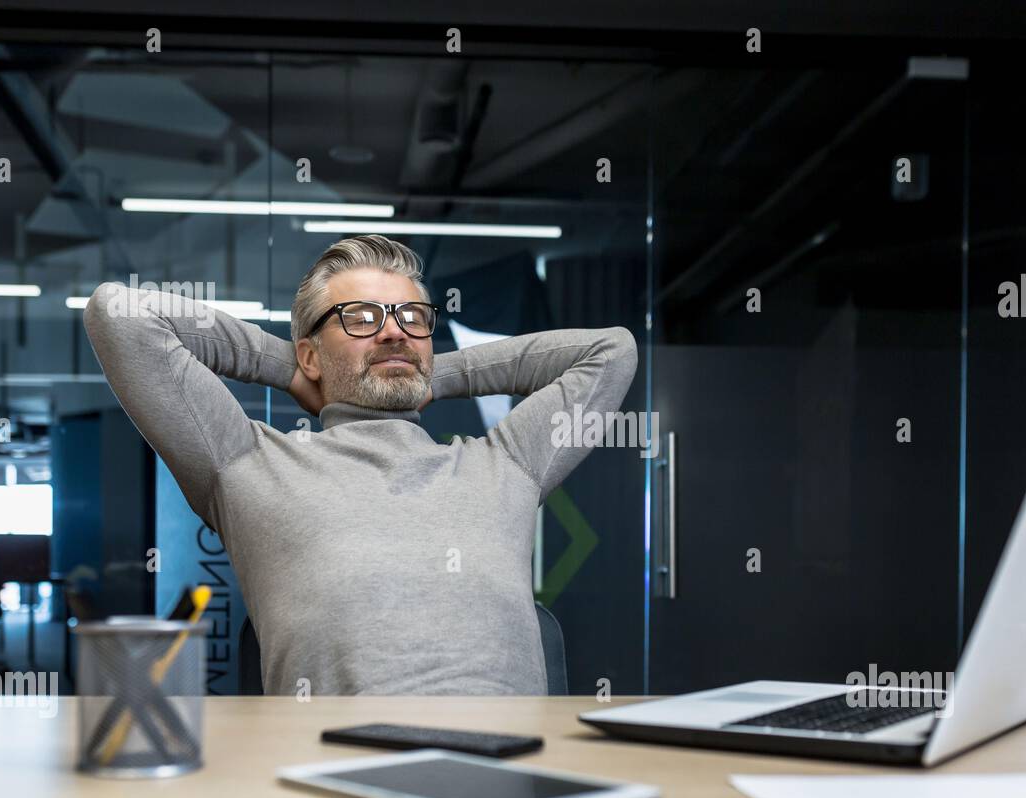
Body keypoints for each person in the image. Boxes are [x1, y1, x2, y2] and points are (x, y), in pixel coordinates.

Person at [83, 235, 637, 695]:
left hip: (509, 787)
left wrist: (422, 371)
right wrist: (296, 370)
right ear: (309, 352)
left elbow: (611, 352)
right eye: (362, 317)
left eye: (412, 318)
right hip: (334, 790)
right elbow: (119, 313)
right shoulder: (247, 465)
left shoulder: (508, 463)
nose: (394, 330)